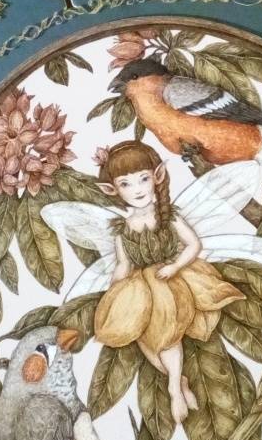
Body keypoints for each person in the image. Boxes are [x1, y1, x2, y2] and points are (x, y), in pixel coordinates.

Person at [93, 141, 244, 423]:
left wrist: (174, 267)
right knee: (145, 339)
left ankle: (174, 385)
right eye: (125, 184)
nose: (137, 189)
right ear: (112, 190)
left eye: (143, 179)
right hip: (140, 288)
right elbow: (123, 264)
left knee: (166, 330)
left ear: (157, 176)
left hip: (172, 280)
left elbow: (193, 244)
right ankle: (178, 381)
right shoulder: (122, 229)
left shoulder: (168, 215)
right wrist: (114, 294)